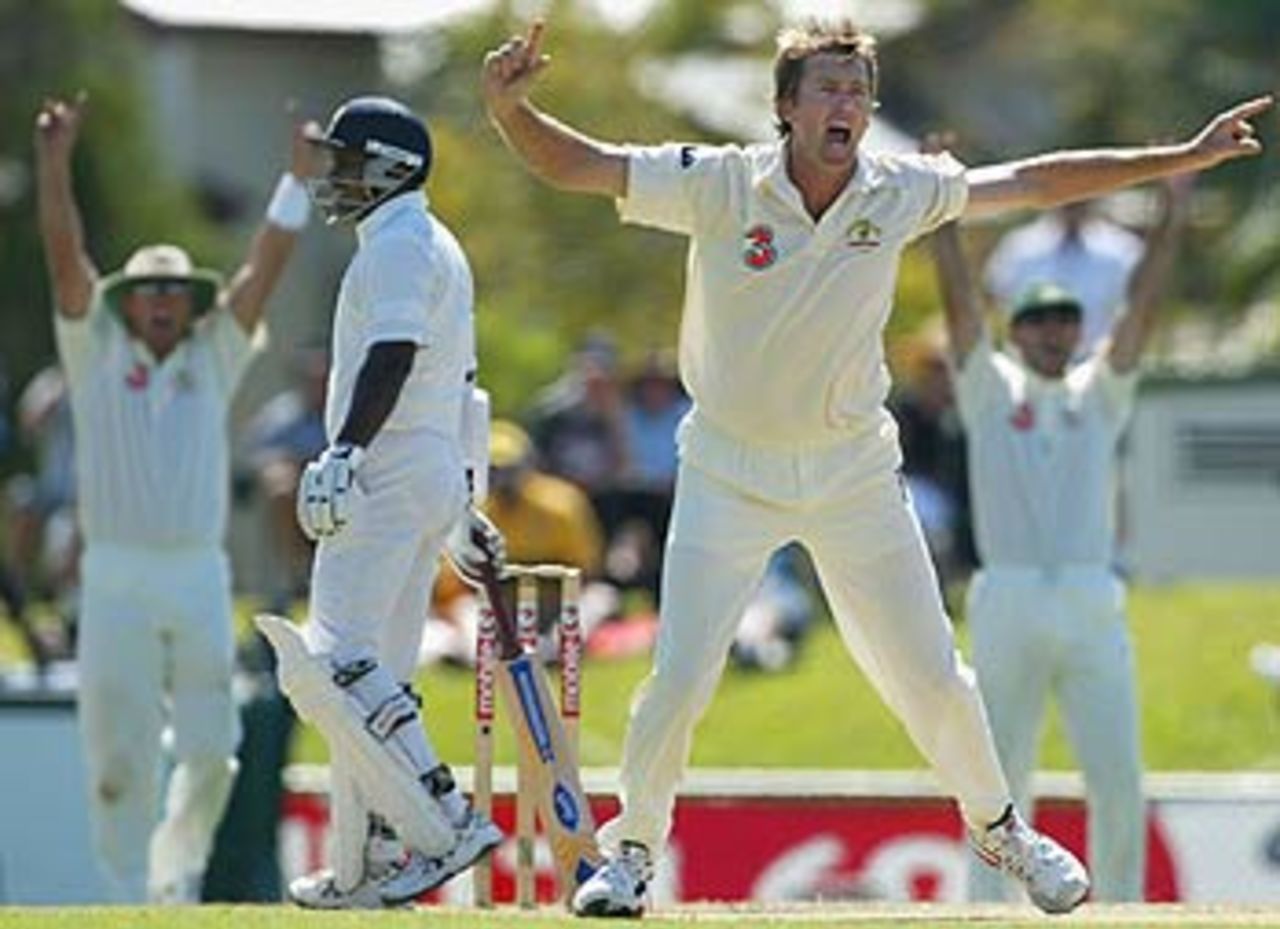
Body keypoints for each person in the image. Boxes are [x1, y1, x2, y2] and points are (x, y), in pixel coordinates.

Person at [482, 14, 1268, 917]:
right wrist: (511, 113)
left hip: (853, 468)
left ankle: (1003, 827)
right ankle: (629, 855)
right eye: (827, 88)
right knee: (680, 677)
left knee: (931, 675)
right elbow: (580, 164)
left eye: (858, 91)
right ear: (786, 107)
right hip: (727, 471)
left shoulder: (899, 189)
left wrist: (1176, 157)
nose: (846, 104)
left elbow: (1035, 180)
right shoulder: (722, 185)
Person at [34, 93, 311, 902]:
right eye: (148, 293)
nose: (160, 304)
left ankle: (173, 880)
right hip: (114, 574)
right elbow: (63, 260)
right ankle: (124, 893)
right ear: (131, 302)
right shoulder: (93, 352)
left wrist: (294, 181)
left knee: (213, 747)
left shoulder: (213, 355)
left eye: (174, 294)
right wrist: (54, 163)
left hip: (196, 572)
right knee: (114, 755)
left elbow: (263, 271)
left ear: (190, 303)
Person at [260, 95, 502, 910]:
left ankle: (443, 816)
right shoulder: (428, 240)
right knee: (378, 674)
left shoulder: (399, 244)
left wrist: (345, 449)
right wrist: (467, 495)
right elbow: (468, 389)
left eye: (349, 162)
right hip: (427, 465)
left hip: (390, 467)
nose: (337, 177)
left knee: (334, 664)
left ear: (393, 169)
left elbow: (393, 356)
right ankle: (365, 861)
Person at [929, 172, 1192, 902]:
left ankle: (1125, 907)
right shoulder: (989, 389)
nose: (1053, 332)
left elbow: (1141, 311)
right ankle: (988, 908)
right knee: (998, 777)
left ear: (1079, 328)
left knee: (1118, 773)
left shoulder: (1098, 393)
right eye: (1039, 321)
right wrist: (945, 223)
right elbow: (959, 315)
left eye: (1065, 320)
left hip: (1088, 594)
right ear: (1016, 331)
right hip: (1007, 595)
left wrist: (1172, 220)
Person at [984, 201, 1144, 358]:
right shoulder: (1016, 247)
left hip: (1096, 372)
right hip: (1026, 372)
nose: (1074, 200)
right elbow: (996, 308)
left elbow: (1134, 316)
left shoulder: (1125, 250)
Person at [239, 344, 328, 611]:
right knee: (279, 484)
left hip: (344, 498)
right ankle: (298, 577)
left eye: (323, 379)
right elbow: (255, 458)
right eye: (312, 379)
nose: (318, 386)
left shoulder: (349, 412)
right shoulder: (281, 415)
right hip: (297, 503)